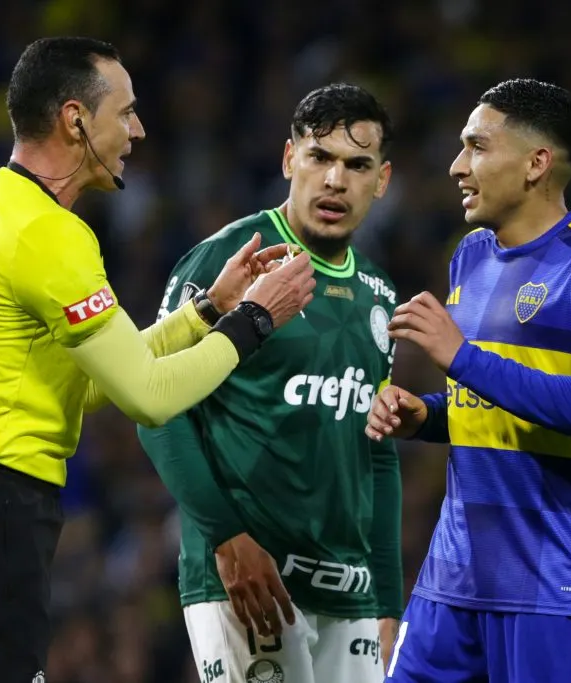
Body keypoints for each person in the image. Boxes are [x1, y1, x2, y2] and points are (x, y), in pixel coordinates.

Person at [0, 36, 315, 683]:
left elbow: (94, 385)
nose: (138, 129)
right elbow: (148, 395)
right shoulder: (49, 233)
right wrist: (255, 320)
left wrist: (205, 313)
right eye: (126, 112)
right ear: (75, 119)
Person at [370, 79, 571, 683]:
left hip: (553, 585)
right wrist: (427, 415)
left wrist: (462, 357)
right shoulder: (469, 255)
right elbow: (489, 403)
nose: (456, 167)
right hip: (451, 580)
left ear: (536, 163)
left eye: (476, 147)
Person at [137, 83, 404, 683]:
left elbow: (377, 451)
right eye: (320, 158)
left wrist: (388, 598)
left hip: (351, 595)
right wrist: (228, 538)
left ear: (381, 181)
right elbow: (156, 408)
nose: (336, 180)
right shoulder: (228, 258)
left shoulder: (380, 294)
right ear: (290, 160)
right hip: (249, 581)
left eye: (357, 165)